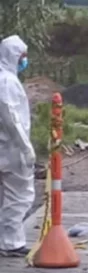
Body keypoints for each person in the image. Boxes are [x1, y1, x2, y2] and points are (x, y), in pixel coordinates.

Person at [0, 35, 35, 257]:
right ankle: (11, 242)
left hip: (6, 147)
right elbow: (11, 117)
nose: (25, 61)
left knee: (7, 195)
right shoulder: (8, 82)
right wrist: (26, 148)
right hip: (11, 149)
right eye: (23, 57)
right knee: (20, 195)